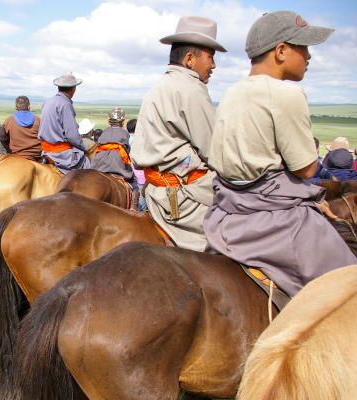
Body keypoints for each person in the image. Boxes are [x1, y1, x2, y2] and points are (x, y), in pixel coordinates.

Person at [203, 11, 356, 297]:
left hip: (226, 212)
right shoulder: (286, 94)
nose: (309, 57)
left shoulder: (232, 93)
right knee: (348, 284)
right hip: (272, 218)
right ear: (281, 50)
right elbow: (306, 170)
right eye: (304, 47)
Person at [130, 16, 226, 251]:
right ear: (190, 59)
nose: (213, 65)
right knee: (242, 231)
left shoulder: (160, 85)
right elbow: (216, 153)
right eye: (210, 57)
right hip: (184, 199)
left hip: (156, 191)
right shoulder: (191, 89)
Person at [39, 72, 90, 173]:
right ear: (73, 89)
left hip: (45, 151)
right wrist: (83, 148)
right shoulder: (65, 104)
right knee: (89, 167)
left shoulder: (48, 101)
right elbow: (72, 136)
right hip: (60, 154)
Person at [91, 108, 134, 183]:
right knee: (133, 182)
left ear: (109, 121)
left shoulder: (105, 131)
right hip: (117, 163)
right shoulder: (124, 133)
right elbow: (127, 150)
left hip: (99, 163)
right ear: (123, 121)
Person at [0, 96, 42, 161]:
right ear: (29, 107)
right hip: (36, 156)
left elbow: (2, 138)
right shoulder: (38, 120)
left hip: (16, 155)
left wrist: (9, 150)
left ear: (15, 107)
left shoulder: (8, 120)